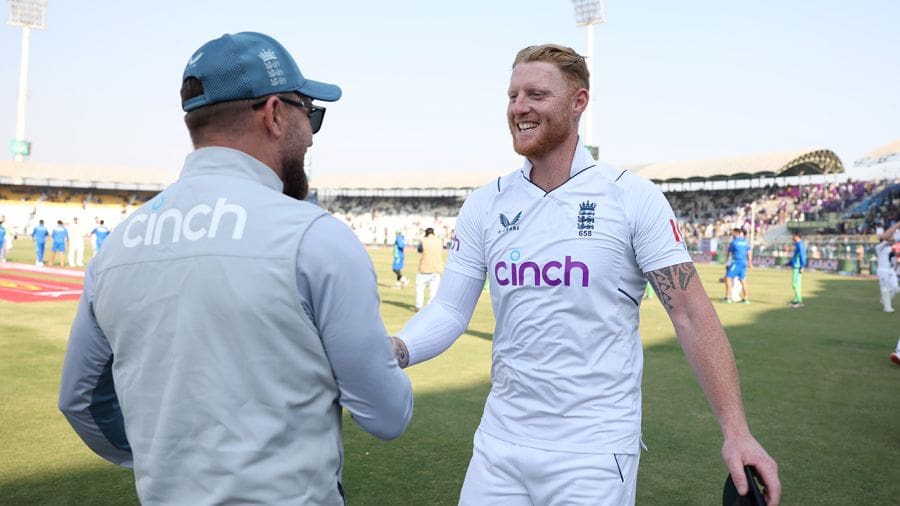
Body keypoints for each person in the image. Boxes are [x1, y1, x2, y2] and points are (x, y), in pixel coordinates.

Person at [389, 44, 780, 505]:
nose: (519, 108)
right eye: (512, 95)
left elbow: (692, 315)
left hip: (593, 452)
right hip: (499, 442)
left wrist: (737, 432)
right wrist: (395, 349)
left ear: (579, 102)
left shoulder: (632, 198)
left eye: (536, 94)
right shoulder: (485, 203)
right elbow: (451, 309)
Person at [58, 31, 412, 505]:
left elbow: (80, 399)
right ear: (274, 113)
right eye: (311, 114)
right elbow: (387, 414)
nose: (310, 135)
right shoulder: (314, 236)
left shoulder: (119, 243)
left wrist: (166, 458)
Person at [415, 227, 444, 310]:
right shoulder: (439, 241)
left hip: (425, 268)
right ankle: (430, 307)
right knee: (433, 290)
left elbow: (419, 250)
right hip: (436, 269)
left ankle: (419, 305)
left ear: (426, 233)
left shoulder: (424, 241)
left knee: (420, 288)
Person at [874, 221, 900, 312]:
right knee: (884, 289)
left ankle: (884, 299)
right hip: (882, 270)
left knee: (896, 288)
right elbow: (887, 239)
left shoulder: (890, 247)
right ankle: (887, 308)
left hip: (890, 270)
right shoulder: (878, 247)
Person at [724, 227, 752, 304]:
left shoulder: (734, 242)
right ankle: (746, 299)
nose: (732, 234)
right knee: (743, 280)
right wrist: (749, 263)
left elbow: (729, 253)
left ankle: (728, 298)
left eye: (733, 233)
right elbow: (749, 252)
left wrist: (727, 262)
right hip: (744, 263)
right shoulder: (745, 242)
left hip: (736, 262)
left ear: (736, 233)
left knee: (728, 278)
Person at [790, 233, 807, 308]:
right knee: (797, 285)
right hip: (796, 267)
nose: (792, 238)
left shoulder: (800, 245)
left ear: (797, 237)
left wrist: (802, 266)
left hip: (798, 268)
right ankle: (796, 300)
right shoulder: (798, 245)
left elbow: (803, 256)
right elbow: (795, 257)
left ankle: (799, 301)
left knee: (795, 284)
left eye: (794, 237)